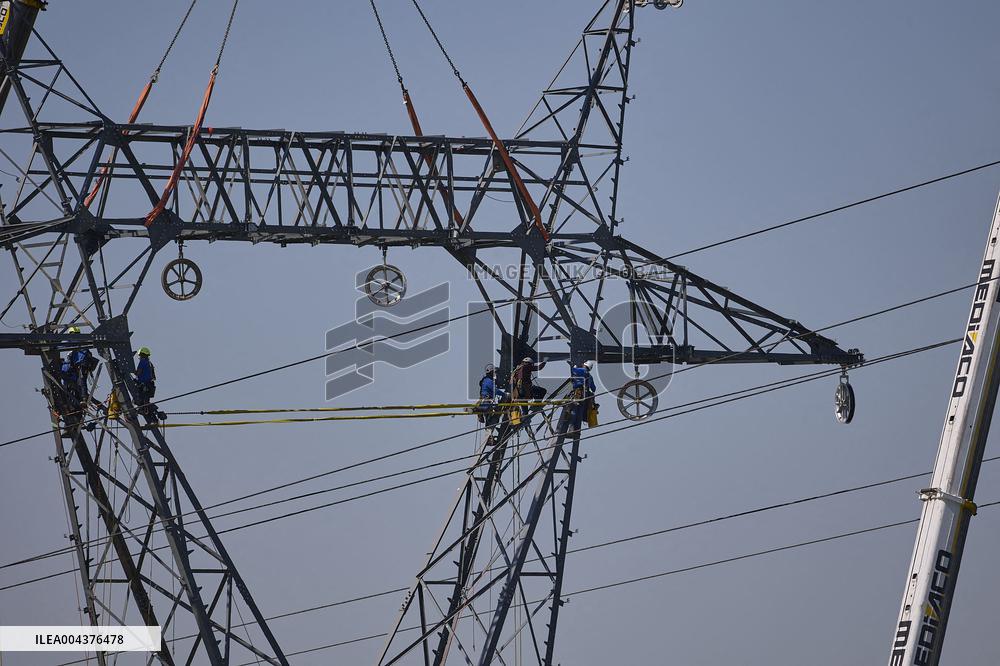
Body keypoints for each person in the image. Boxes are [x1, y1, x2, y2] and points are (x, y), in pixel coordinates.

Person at [133, 347, 165, 421]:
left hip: (144, 386)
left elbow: (138, 373)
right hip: (149, 386)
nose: (139, 357)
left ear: (142, 355)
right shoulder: (149, 363)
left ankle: (148, 412)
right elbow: (152, 376)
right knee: (145, 402)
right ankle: (153, 417)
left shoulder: (143, 362)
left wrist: (130, 371)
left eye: (140, 355)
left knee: (139, 401)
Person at [571, 360, 598, 426]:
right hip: (585, 396)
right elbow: (593, 389)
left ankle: (571, 426)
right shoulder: (590, 376)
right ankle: (576, 429)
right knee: (580, 411)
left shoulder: (580, 370)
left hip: (578, 394)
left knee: (574, 410)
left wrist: (573, 365)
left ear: (584, 365)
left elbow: (573, 370)